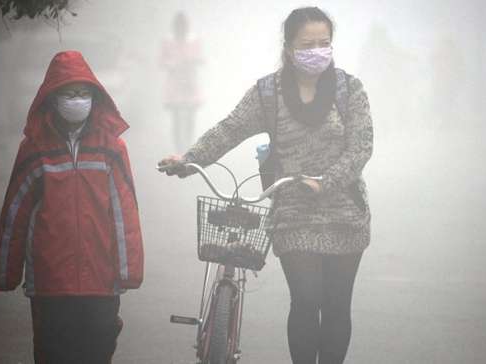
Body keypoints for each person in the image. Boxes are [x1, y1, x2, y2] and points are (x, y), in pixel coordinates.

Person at [158, 7, 373, 364]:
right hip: (292, 211)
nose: (317, 50)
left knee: (336, 305)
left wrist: (326, 182)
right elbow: (230, 129)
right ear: (289, 48)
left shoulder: (350, 90)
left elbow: (362, 147)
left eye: (325, 43)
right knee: (306, 299)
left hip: (345, 213)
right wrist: (190, 160)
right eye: (308, 44)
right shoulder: (268, 94)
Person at [0, 50, 144, 364]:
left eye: (83, 93)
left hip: (102, 279)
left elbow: (124, 211)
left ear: (95, 96)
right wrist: (6, 273)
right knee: (52, 353)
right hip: (49, 282)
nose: (77, 100)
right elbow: (15, 213)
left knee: (98, 351)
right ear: (52, 97)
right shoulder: (34, 148)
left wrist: (129, 271)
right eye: (68, 93)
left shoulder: (111, 147)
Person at [160, 11, 203, 151]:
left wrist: (193, 61)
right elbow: (162, 61)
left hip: (190, 82)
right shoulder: (168, 41)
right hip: (175, 83)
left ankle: (189, 144)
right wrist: (172, 64)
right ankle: (179, 147)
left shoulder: (193, 40)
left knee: (191, 115)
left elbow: (200, 58)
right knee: (176, 118)